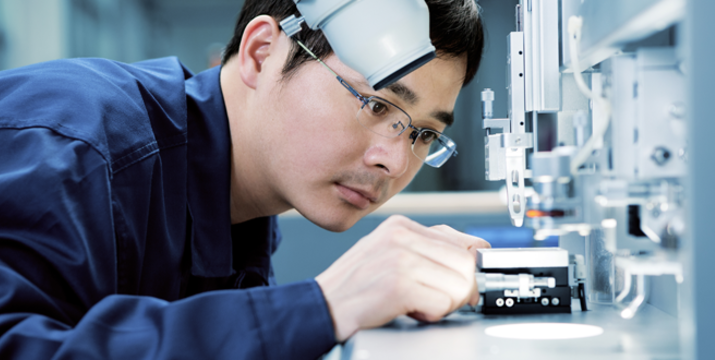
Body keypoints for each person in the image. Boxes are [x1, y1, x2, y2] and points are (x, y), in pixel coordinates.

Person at [0, 0, 487, 358]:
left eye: (424, 135)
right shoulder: (78, 139)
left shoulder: (242, 209)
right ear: (260, 53)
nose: (396, 163)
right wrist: (328, 304)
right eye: (375, 104)